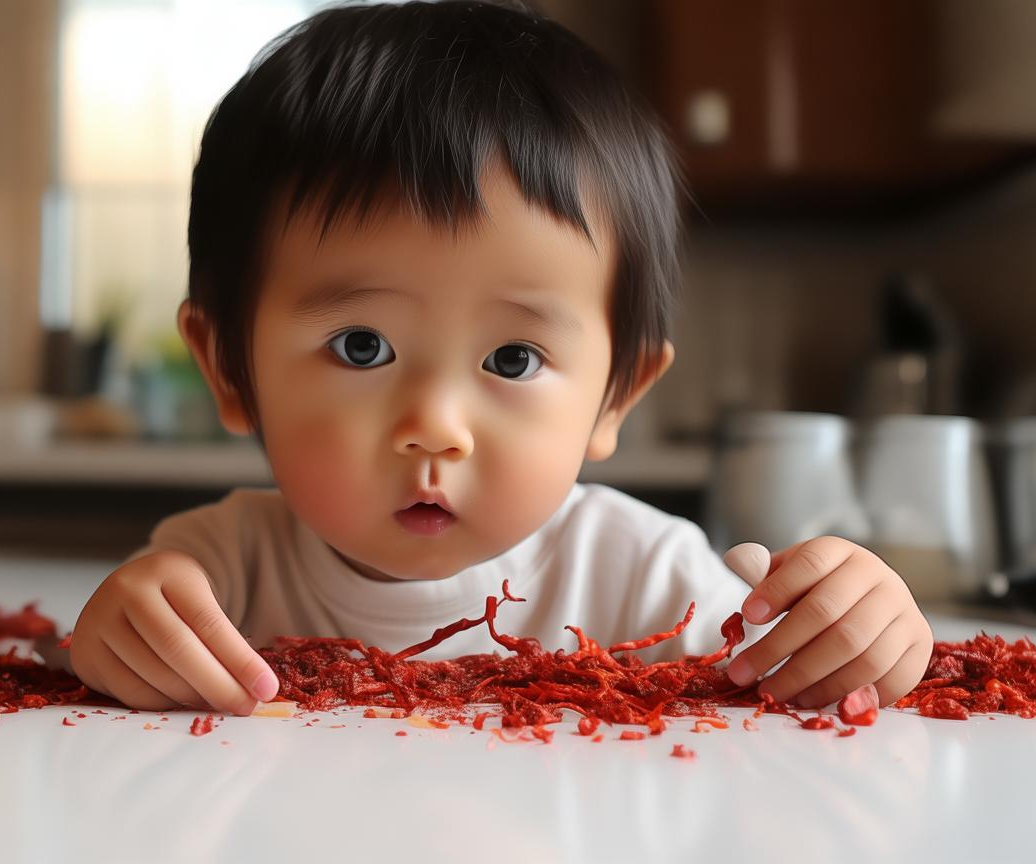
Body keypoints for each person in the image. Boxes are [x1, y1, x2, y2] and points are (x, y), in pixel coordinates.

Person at [69, 0, 933, 717]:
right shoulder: (221, 566)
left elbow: (797, 696)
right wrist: (121, 631)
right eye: (361, 346)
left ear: (613, 397)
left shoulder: (646, 575)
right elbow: (125, 661)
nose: (435, 429)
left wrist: (856, 633)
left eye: (514, 358)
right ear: (228, 368)